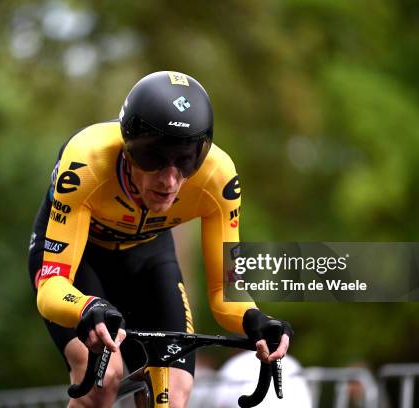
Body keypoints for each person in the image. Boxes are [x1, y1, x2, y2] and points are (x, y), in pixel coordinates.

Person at [27, 71, 293, 408]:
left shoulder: (217, 179)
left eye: (185, 161)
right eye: (153, 158)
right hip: (81, 261)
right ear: (128, 148)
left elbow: (226, 294)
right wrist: (85, 307)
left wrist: (257, 320)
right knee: (101, 382)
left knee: (172, 393)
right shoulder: (87, 162)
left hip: (148, 258)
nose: (169, 180)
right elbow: (53, 287)